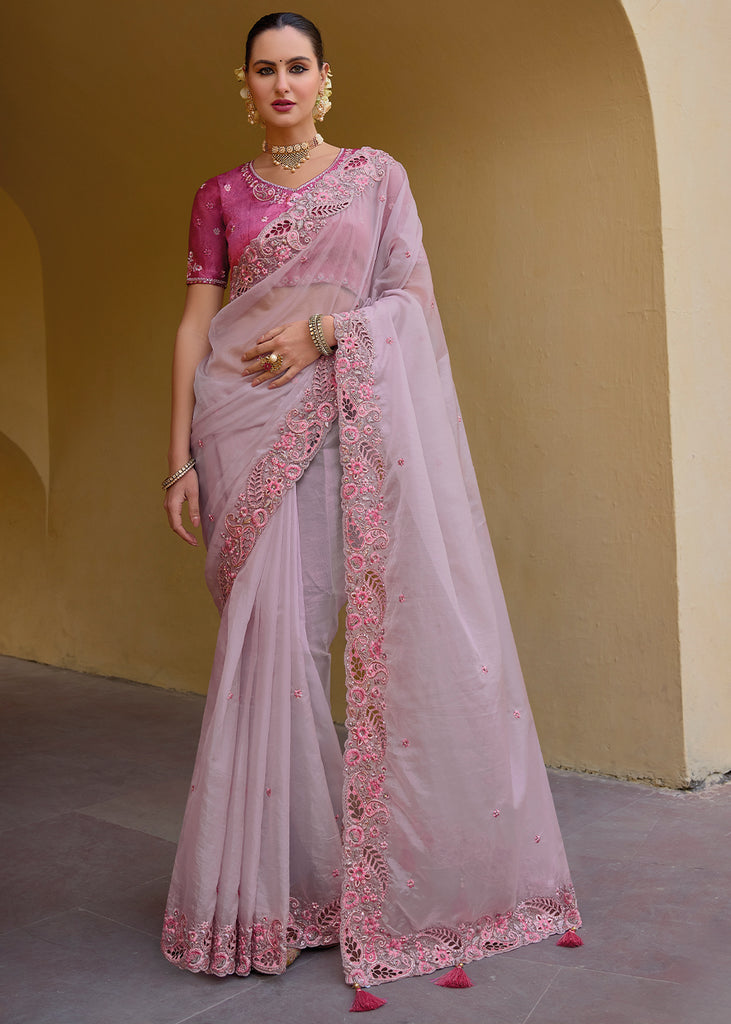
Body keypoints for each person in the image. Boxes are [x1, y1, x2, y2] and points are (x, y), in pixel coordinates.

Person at [160, 11, 580, 997]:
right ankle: (272, 893)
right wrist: (176, 461)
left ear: (323, 78)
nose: (281, 83)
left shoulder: (375, 178)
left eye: (296, 66)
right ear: (243, 85)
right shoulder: (218, 195)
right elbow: (193, 326)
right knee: (269, 651)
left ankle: (321, 879)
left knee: (318, 643)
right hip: (238, 431)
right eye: (263, 69)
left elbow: (409, 305)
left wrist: (326, 332)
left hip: (339, 422)